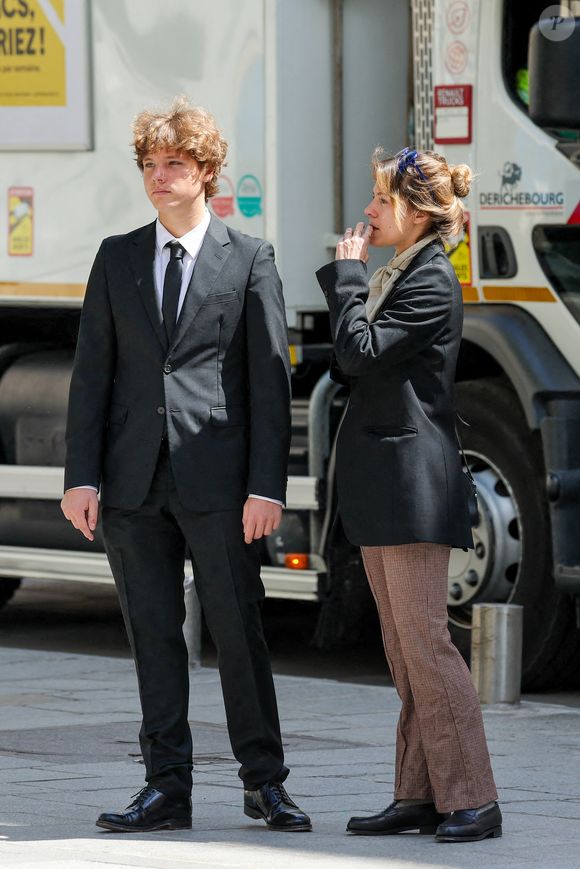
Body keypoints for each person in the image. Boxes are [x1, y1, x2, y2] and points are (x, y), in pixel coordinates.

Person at [61, 97, 311, 834]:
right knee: (154, 636)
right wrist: (81, 476)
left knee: (239, 631)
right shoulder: (117, 257)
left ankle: (264, 782)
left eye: (174, 163)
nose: (159, 176)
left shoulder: (251, 258)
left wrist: (267, 485)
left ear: (206, 171)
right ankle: (165, 787)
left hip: (221, 483)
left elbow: (270, 383)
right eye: (149, 164)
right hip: (132, 482)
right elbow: (92, 374)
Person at [316, 147, 501, 843]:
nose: (368, 211)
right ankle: (419, 792)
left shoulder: (428, 280)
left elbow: (357, 354)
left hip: (413, 485)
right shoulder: (401, 272)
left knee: (426, 643)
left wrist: (346, 277)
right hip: (386, 484)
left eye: (381, 199)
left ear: (417, 213)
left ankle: (475, 797)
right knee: (402, 648)